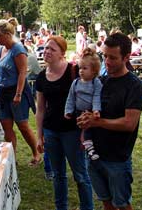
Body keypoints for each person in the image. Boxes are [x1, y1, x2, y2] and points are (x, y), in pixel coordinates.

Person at [77, 32, 142, 210]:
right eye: (104, 55)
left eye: (113, 57)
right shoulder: (100, 81)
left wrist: (96, 122)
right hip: (94, 155)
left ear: (126, 57)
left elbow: (129, 123)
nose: (107, 61)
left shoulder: (134, 85)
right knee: (106, 202)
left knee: (121, 204)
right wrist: (85, 126)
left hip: (117, 158)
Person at [35, 35, 93, 210]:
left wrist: (84, 132)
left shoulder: (74, 71)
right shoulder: (41, 77)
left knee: (80, 175)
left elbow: (87, 103)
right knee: (58, 175)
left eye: (52, 49)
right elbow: (40, 109)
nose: (47, 51)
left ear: (62, 53)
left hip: (72, 131)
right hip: (51, 131)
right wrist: (39, 136)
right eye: (46, 48)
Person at [0, 18, 40, 166]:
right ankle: (11, 159)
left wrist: (18, 94)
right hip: (3, 93)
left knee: (23, 125)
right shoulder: (1, 49)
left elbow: (22, 73)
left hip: (17, 91)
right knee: (6, 126)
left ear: (7, 34)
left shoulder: (18, 49)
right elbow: (0, 71)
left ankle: (36, 153)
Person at [64, 47, 102, 161]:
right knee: (80, 131)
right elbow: (70, 98)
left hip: (89, 111)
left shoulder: (96, 82)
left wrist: (96, 110)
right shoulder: (76, 83)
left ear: (94, 70)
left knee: (88, 130)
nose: (81, 71)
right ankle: (86, 147)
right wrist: (68, 110)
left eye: (85, 68)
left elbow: (97, 97)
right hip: (78, 111)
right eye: (80, 68)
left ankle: (90, 149)